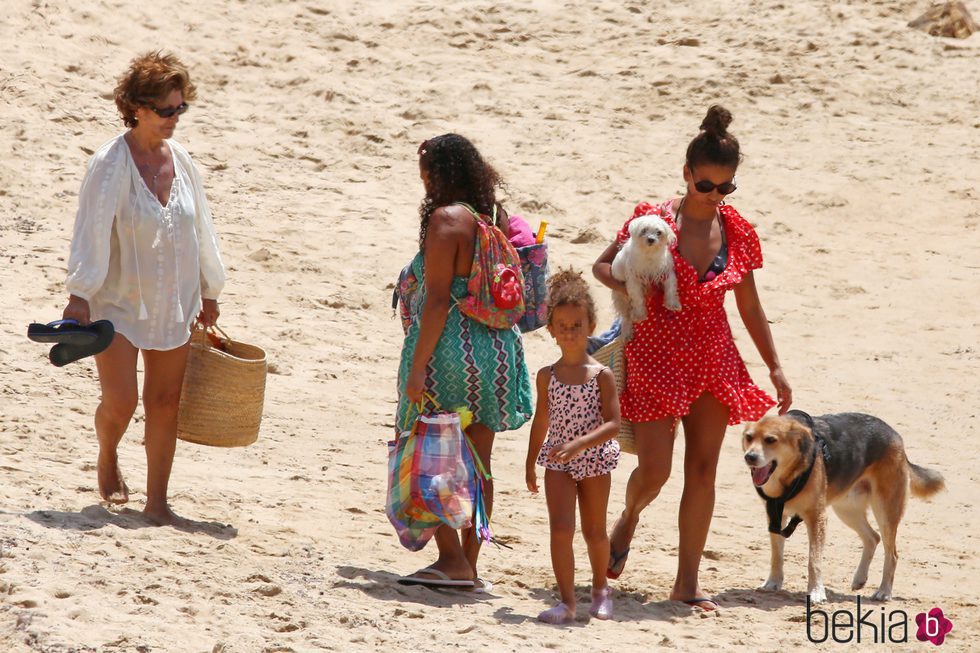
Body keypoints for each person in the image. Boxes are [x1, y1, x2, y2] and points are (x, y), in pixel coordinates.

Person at [592, 105, 792, 612]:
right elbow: (601, 267)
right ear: (687, 174)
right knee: (656, 471)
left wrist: (774, 365)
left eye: (727, 187)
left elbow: (748, 304)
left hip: (713, 355)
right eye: (707, 185)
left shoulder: (738, 231)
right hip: (655, 349)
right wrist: (637, 281)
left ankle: (687, 581)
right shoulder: (653, 221)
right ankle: (629, 517)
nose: (715, 196)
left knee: (702, 471)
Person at [62, 51, 225, 525]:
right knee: (122, 401)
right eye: (165, 109)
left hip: (172, 300)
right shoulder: (110, 163)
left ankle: (158, 503)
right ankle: (108, 451)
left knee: (164, 402)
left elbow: (202, 231)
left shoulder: (183, 162)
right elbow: (90, 230)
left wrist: (210, 291)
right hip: (116, 300)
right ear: (137, 107)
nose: (174, 118)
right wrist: (80, 293)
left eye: (180, 109)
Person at [395, 134, 533, 589]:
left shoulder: (445, 221)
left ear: (439, 174)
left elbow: (437, 301)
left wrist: (417, 367)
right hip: (496, 351)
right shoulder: (491, 218)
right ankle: (469, 565)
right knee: (478, 460)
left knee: (432, 451)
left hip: (451, 350)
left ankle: (451, 558)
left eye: (426, 172)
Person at [525, 269, 621, 624]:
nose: (569, 331)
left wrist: (581, 443)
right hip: (557, 462)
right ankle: (566, 601)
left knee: (595, 530)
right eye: (562, 325)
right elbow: (542, 420)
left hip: (594, 459)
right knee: (560, 529)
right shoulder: (546, 376)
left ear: (591, 326)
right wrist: (530, 463)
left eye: (577, 324)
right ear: (550, 329)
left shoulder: (601, 375)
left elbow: (614, 424)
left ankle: (600, 589)